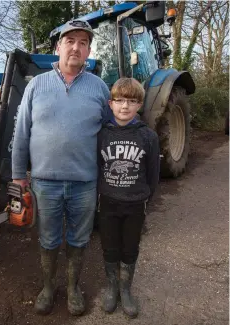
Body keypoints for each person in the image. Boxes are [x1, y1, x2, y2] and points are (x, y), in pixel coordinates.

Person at [11, 19, 111, 316]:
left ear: (89, 50)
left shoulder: (99, 88)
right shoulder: (37, 86)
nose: (76, 47)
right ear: (58, 47)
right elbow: (21, 134)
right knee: (48, 238)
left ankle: (73, 288)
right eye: (70, 41)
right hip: (45, 182)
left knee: (79, 240)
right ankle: (47, 286)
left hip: (84, 182)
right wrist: (18, 175)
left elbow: (109, 133)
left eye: (83, 43)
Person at [97, 78, 160, 318]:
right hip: (108, 203)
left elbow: (153, 174)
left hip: (135, 205)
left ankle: (126, 289)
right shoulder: (101, 135)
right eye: (120, 101)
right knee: (109, 247)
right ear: (110, 104)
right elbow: (97, 166)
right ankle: (112, 287)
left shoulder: (149, 137)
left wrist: (145, 198)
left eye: (132, 101)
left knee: (130, 248)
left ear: (139, 105)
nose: (125, 106)